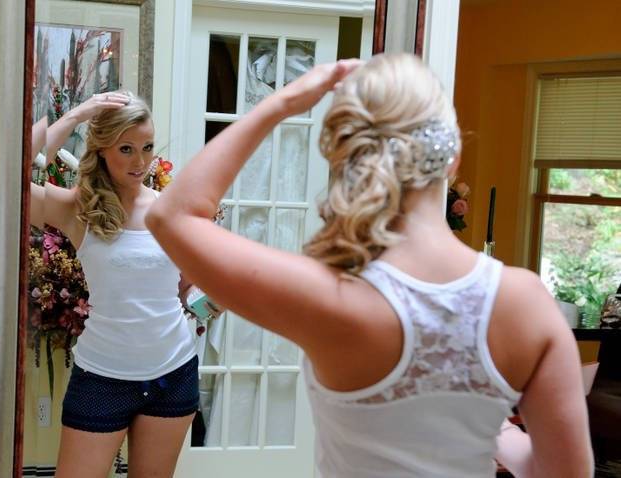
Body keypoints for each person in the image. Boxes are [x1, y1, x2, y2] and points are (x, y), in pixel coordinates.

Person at [145, 53, 594, 477]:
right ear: (452, 157)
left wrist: (282, 104)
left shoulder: (328, 295)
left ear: (343, 158)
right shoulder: (526, 302)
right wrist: (499, 433)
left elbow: (172, 215)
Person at [30, 91, 201, 478]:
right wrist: (77, 114)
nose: (140, 162)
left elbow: (185, 288)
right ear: (102, 149)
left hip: (172, 372)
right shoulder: (78, 209)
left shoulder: (170, 208)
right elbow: (11, 174)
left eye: (147, 147)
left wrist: (207, 297)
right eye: (126, 148)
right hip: (102, 376)